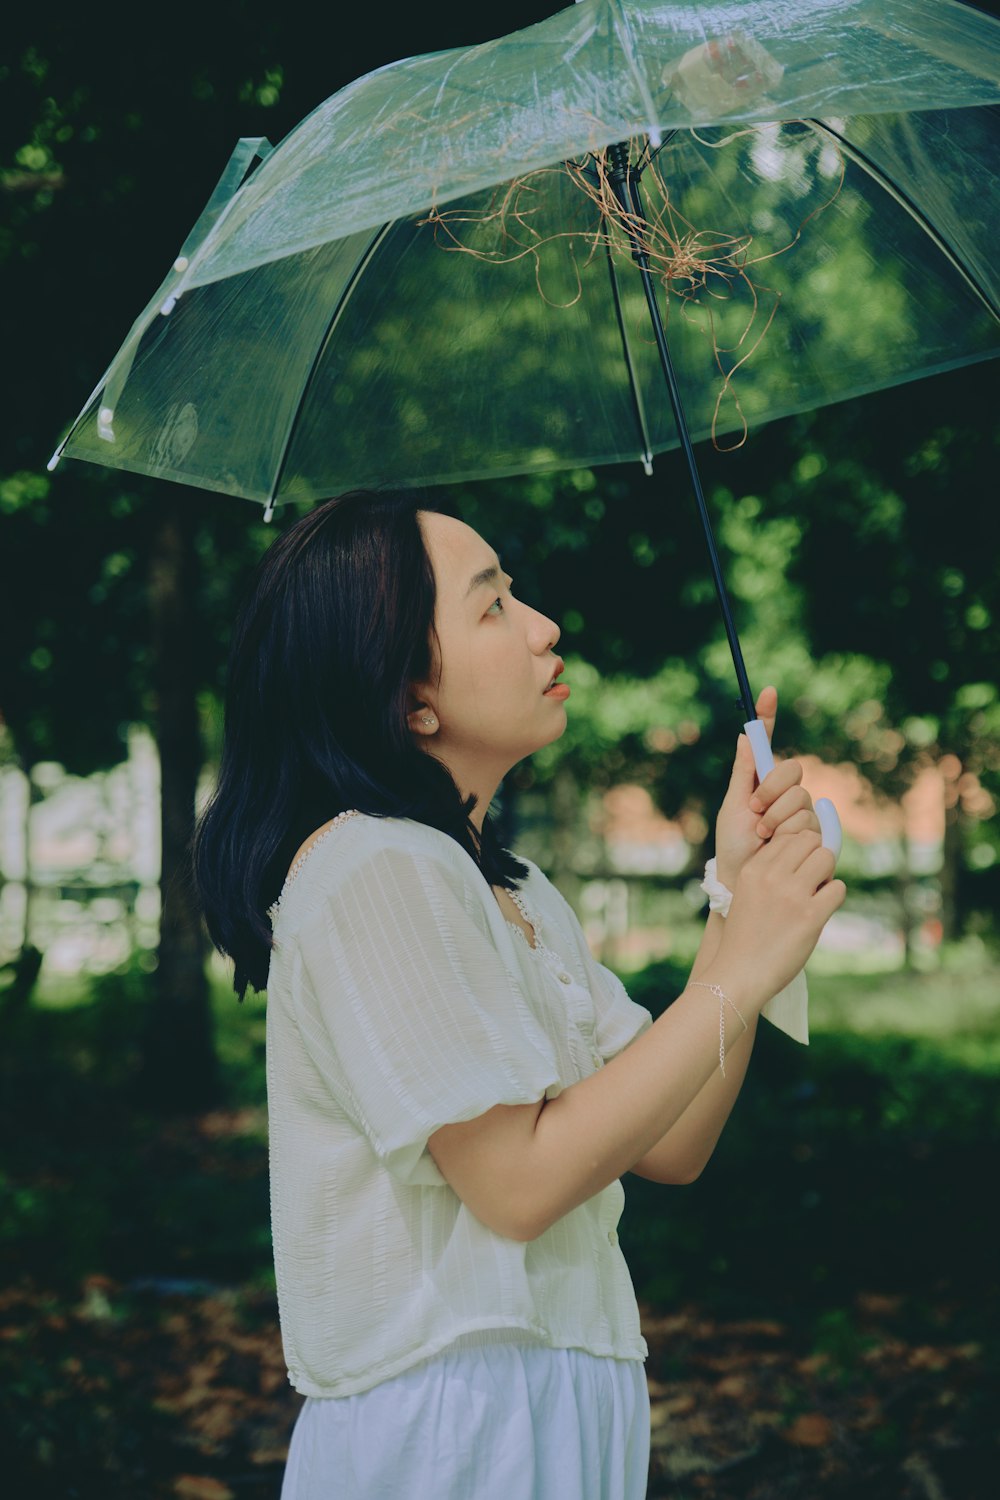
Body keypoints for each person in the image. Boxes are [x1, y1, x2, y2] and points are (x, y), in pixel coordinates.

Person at [193, 488, 844, 1500]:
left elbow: (669, 1141)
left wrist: (732, 894)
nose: (545, 628)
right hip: (449, 1430)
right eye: (492, 605)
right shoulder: (370, 867)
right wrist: (744, 966)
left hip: (566, 1397)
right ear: (408, 693)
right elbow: (518, 1185)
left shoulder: (513, 889)